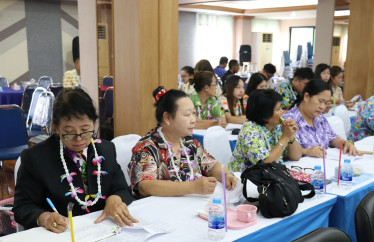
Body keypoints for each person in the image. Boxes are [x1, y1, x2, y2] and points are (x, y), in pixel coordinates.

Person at [13, 88, 137, 232]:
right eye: (69, 132)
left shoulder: (106, 149)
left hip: (104, 229)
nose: (78, 138)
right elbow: (22, 207)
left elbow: (123, 189)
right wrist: (45, 217)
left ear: (95, 123)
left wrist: (115, 198)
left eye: (85, 129)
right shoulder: (35, 157)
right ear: (56, 128)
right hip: (62, 235)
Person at [127, 88, 238, 197]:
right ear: (167, 118)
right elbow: (145, 187)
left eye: (193, 113)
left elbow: (211, 165)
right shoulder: (147, 147)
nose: (193, 119)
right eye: (187, 115)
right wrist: (193, 187)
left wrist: (226, 175)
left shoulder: (188, 142)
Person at [229, 89, 302, 172]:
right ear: (265, 114)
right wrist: (285, 137)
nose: (282, 112)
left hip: (271, 176)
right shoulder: (249, 130)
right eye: (278, 109)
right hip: (244, 179)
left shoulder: (276, 126)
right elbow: (265, 164)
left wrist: (290, 136)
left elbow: (296, 156)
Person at [283, 79, 360, 157]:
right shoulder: (289, 120)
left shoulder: (319, 117)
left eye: (326, 103)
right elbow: (285, 153)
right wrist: (306, 151)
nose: (322, 107)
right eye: (320, 101)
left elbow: (332, 138)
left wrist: (345, 143)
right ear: (306, 97)